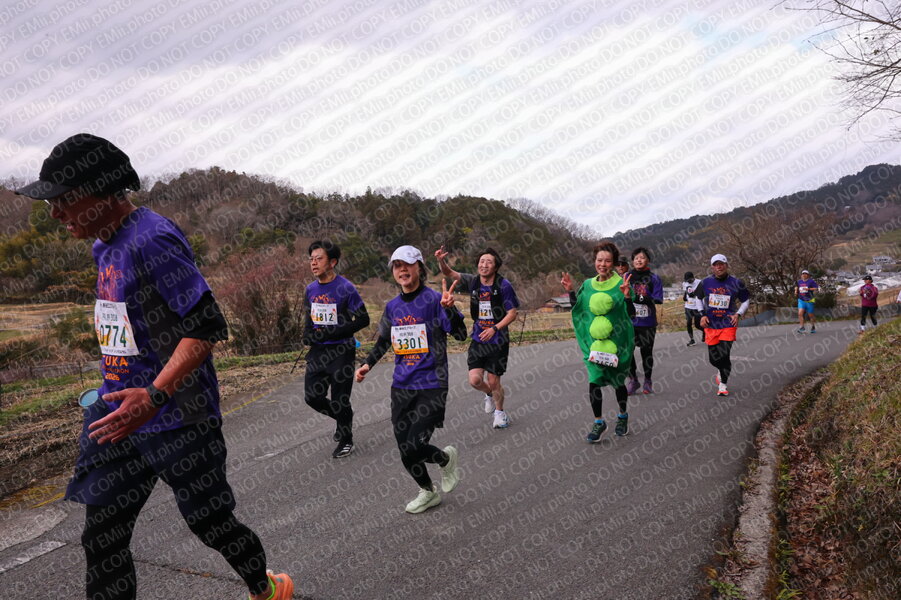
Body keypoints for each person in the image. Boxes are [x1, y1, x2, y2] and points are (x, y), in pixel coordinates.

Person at [14, 134, 293, 599]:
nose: (55, 213)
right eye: (51, 203)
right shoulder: (103, 246)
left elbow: (205, 326)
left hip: (177, 415)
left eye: (64, 199)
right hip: (116, 416)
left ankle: (264, 587)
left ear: (103, 192)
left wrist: (154, 394)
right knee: (102, 539)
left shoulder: (153, 238)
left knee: (210, 521)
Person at [355, 246, 467, 513]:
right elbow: (384, 340)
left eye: (407, 264)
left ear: (420, 267)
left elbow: (461, 335)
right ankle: (428, 490)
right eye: (397, 265)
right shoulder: (392, 307)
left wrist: (450, 310)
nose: (402, 270)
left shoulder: (435, 300)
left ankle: (445, 460)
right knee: (405, 448)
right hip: (401, 386)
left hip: (432, 384)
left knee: (414, 444)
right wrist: (367, 364)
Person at [435, 245, 520, 428]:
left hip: (498, 339)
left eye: (489, 262)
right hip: (478, 337)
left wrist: (495, 328)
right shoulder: (473, 281)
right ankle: (489, 394)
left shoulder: (503, 285)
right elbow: (449, 272)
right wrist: (441, 261)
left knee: (494, 380)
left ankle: (500, 413)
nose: (484, 265)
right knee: (475, 380)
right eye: (482, 261)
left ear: (496, 266)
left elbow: (512, 313)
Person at [561, 241, 635, 442]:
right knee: (594, 382)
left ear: (614, 263)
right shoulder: (587, 285)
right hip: (595, 345)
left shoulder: (621, 283)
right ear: (594, 261)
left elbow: (631, 314)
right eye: (599, 260)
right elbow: (579, 309)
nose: (603, 264)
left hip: (617, 345)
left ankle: (622, 416)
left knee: (618, 383)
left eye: (607, 261)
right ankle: (598, 421)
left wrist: (627, 296)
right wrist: (571, 291)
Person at [302, 240, 370, 458]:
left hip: (342, 351)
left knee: (340, 399)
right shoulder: (310, 289)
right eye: (311, 259)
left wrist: (334, 332)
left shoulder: (346, 288)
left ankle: (346, 439)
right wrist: (307, 335)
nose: (313, 263)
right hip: (318, 351)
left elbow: (363, 319)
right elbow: (309, 318)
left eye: (319, 258)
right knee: (312, 397)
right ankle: (344, 418)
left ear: (332, 262)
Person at [694, 254, 750, 397]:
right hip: (711, 324)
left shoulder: (736, 282)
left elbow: (745, 300)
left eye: (721, 264)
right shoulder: (705, 282)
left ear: (726, 265)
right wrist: (702, 314)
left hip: (728, 323)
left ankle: (723, 384)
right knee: (714, 359)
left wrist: (738, 314)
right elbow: (698, 298)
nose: (719, 267)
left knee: (725, 355)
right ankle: (721, 370)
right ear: (712, 267)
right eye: (716, 264)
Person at [625, 247, 663, 394]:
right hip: (629, 322)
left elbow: (658, 298)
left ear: (648, 260)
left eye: (642, 258)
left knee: (646, 352)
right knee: (628, 352)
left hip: (647, 322)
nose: (639, 260)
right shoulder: (627, 276)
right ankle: (633, 380)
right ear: (632, 261)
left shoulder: (654, 278)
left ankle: (647, 380)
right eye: (636, 258)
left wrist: (642, 298)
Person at [682, 271, 704, 346]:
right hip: (688, 306)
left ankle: (705, 331)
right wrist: (684, 297)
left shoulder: (700, 282)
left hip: (697, 307)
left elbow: (703, 294)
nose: (688, 282)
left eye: (689, 280)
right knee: (688, 323)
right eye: (687, 280)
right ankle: (692, 340)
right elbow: (686, 291)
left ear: (693, 278)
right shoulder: (685, 283)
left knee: (697, 325)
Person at [795, 269, 819, 333]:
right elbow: (796, 287)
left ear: (808, 275)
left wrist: (808, 289)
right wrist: (796, 291)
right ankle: (802, 328)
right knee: (800, 313)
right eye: (803, 274)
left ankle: (813, 326)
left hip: (809, 300)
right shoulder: (799, 282)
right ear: (801, 275)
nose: (804, 275)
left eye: (805, 274)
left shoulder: (811, 281)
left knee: (810, 315)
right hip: (801, 300)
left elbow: (816, 288)